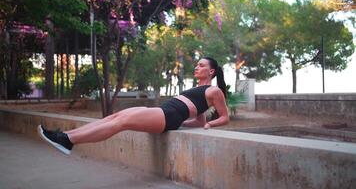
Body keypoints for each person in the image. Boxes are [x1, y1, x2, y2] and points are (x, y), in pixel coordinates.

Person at [37, 57, 229, 155]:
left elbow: (224, 117)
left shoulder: (215, 91)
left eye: (201, 65)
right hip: (166, 112)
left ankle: (68, 140)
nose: (197, 67)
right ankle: (64, 137)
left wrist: (210, 125)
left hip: (168, 115)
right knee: (114, 117)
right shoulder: (197, 89)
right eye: (196, 65)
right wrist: (188, 123)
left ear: (211, 71)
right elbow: (198, 119)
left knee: (122, 122)